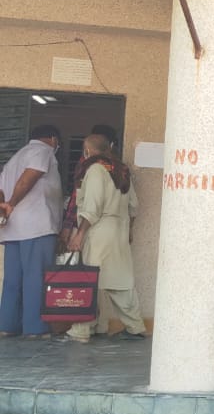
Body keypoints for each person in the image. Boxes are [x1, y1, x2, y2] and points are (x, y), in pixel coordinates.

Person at [61, 133, 147, 343]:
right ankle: (134, 326)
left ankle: (82, 330)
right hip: (119, 230)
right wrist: (129, 231)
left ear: (88, 150)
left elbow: (92, 208)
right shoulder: (121, 169)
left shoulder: (95, 169)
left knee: (90, 279)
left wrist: (79, 234)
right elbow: (133, 206)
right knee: (121, 281)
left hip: (99, 231)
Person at [0, 125, 63, 339]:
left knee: (12, 280)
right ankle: (35, 328)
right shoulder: (42, 151)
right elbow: (30, 176)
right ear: (53, 139)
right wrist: (12, 204)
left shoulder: (15, 157)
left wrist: (3, 210)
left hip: (13, 229)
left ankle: (7, 325)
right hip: (36, 226)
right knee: (36, 278)